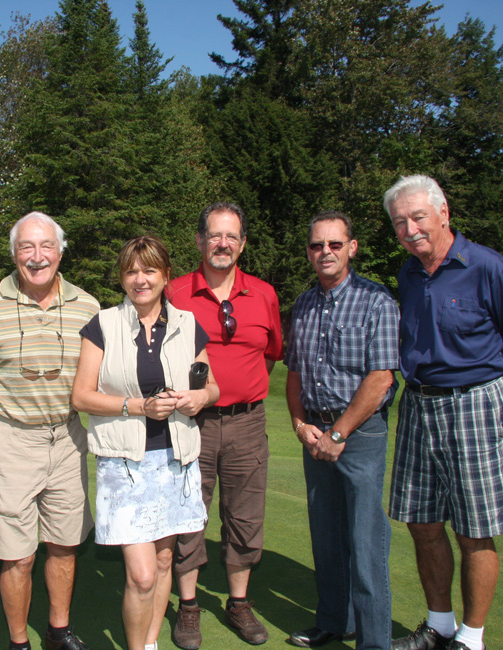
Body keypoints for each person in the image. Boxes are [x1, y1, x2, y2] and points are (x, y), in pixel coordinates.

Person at [384, 175, 503, 650]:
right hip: (419, 403)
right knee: (422, 521)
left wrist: (494, 401)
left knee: (474, 528)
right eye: (400, 222)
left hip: (476, 402)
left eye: (418, 217)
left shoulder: (487, 267)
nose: (411, 229)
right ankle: (439, 625)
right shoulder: (408, 273)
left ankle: (470, 639)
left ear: (443, 213)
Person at [72, 236, 220, 650]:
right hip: (125, 464)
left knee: (163, 560)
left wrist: (197, 398)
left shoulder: (188, 324)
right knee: (141, 574)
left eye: (149, 270)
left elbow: (212, 387)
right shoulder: (102, 325)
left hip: (177, 459)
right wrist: (137, 407)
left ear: (165, 275)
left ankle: (151, 644)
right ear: (121, 277)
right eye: (132, 271)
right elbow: (82, 396)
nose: (140, 279)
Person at [0, 212, 100, 650]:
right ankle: (19, 641)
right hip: (9, 440)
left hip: (66, 437)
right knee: (18, 554)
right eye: (27, 246)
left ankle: (59, 632)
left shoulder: (88, 306)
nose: (37, 256)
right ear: (14, 253)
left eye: (46, 246)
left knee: (63, 545)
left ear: (61, 252)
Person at [167, 202, 284, 648]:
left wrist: (241, 390)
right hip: (191, 422)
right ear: (199, 241)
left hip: (247, 422)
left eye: (231, 236)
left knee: (245, 514)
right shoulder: (175, 293)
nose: (222, 243)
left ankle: (238, 603)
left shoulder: (264, 294)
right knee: (189, 513)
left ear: (242, 244)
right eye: (214, 235)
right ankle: (189, 606)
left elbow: (270, 353)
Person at [284, 211, 399, 649]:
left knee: (366, 543)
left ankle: (374, 641)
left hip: (360, 434)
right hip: (316, 432)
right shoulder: (305, 303)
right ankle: (335, 621)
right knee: (327, 536)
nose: (325, 252)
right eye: (317, 245)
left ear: (352, 247)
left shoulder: (377, 301)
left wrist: (338, 434)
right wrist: (301, 425)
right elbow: (294, 375)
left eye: (334, 244)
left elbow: (381, 379)